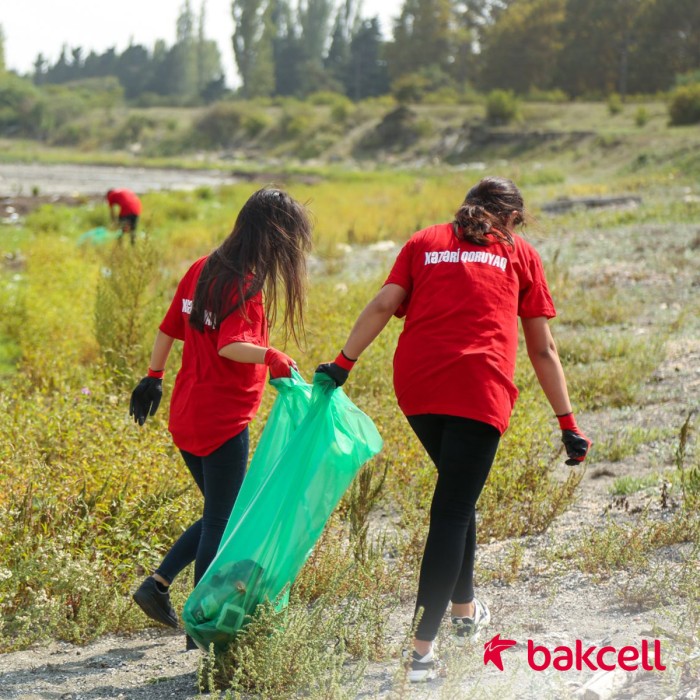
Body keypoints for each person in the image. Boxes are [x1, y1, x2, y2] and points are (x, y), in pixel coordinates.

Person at [316, 176, 591, 682]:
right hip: (477, 390)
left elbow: (382, 305)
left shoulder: (424, 242)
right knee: (452, 509)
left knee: (458, 495)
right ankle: (421, 653)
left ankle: (465, 613)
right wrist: (568, 422)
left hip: (418, 389)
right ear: (509, 219)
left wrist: (341, 364)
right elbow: (543, 349)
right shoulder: (519, 254)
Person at [129, 187, 312, 649]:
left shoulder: (201, 267)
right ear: (272, 235)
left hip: (186, 415)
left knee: (220, 514)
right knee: (221, 523)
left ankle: (158, 586)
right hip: (222, 421)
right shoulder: (244, 283)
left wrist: (153, 376)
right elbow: (233, 345)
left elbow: (168, 327)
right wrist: (272, 354)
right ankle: (202, 624)